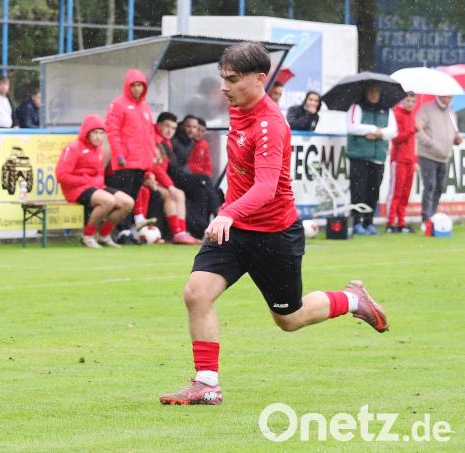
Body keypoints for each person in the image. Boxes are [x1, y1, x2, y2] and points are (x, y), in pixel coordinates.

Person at [159, 41, 388, 406]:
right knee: (196, 293)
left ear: (259, 79)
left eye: (232, 79)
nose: (224, 86)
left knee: (290, 318)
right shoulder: (239, 107)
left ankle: (351, 299)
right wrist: (231, 213)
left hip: (273, 234)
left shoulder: (270, 125)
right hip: (235, 230)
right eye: (223, 78)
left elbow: (266, 188)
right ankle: (206, 383)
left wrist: (228, 212)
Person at [56, 114, 133, 248]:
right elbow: (61, 175)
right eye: (95, 133)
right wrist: (85, 180)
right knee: (108, 200)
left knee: (127, 202)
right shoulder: (73, 148)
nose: (98, 137)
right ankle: (88, 235)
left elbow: (98, 174)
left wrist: (95, 182)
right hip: (76, 189)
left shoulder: (98, 150)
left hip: (95, 187)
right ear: (87, 133)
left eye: (101, 133)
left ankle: (104, 235)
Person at [104, 68, 157, 244]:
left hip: (141, 163)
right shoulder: (118, 104)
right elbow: (112, 131)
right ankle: (122, 231)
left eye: (140, 85)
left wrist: (150, 160)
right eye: (133, 85)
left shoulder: (145, 108)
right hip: (125, 162)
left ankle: (127, 231)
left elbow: (150, 135)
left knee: (132, 198)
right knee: (124, 198)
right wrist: (119, 155)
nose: (137, 89)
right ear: (128, 86)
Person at [133, 112, 201, 245]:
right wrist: (169, 185)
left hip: (157, 180)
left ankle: (181, 232)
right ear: (158, 126)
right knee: (171, 194)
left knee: (179, 193)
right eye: (167, 126)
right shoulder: (153, 140)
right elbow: (155, 166)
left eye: (173, 128)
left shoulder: (166, 142)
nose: (170, 131)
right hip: (146, 179)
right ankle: (177, 232)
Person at [346, 84, 397, 235]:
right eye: (371, 90)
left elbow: (393, 131)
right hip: (360, 156)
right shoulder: (357, 107)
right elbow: (351, 126)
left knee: (373, 192)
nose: (374, 94)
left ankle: (369, 222)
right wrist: (372, 129)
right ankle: (357, 222)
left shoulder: (387, 109)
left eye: (376, 91)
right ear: (366, 92)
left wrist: (379, 133)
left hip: (378, 157)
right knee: (358, 191)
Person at [415, 95, 462, 229]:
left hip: (444, 156)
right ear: (440, 95)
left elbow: (453, 133)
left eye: (450, 96)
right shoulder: (426, 109)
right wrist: (430, 143)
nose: (449, 98)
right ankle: (426, 219)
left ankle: (433, 217)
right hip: (428, 155)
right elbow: (418, 129)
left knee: (439, 188)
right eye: (447, 96)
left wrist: (455, 139)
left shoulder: (451, 112)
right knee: (430, 186)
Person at [386, 93, 417, 233]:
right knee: (396, 192)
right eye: (408, 100)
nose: (410, 103)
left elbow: (412, 142)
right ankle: (390, 222)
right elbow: (396, 138)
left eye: (412, 101)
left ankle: (401, 222)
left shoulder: (412, 116)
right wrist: (412, 130)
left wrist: (414, 159)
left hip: (409, 160)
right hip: (399, 160)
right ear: (402, 101)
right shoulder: (396, 114)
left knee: (405, 193)